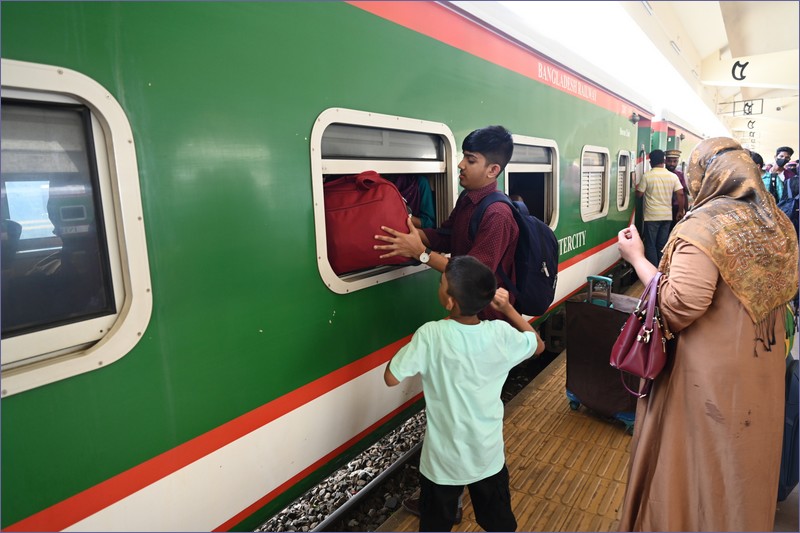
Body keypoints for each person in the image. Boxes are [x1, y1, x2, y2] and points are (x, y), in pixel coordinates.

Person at [617, 137, 799, 531]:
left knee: (696, 467)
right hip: (760, 369)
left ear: (704, 175)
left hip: (706, 378)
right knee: (741, 467)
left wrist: (636, 259)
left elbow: (680, 304)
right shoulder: (775, 222)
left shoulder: (705, 225)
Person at [384, 255, 545, 531]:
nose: (439, 285)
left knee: (435, 525)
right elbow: (538, 345)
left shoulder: (431, 335)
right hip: (488, 455)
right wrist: (507, 309)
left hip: (441, 463)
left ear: (449, 302)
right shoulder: (500, 334)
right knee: (499, 523)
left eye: (441, 283)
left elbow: (390, 378)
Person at [374, 124, 518, 323]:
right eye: (464, 157)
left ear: (493, 170)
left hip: (488, 318)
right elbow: (446, 236)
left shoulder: (497, 215)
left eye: (470, 160)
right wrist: (409, 232)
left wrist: (421, 253)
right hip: (465, 309)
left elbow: (472, 275)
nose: (461, 164)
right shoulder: (468, 197)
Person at [636, 149, 685, 266]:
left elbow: (639, 195)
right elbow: (681, 193)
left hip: (652, 216)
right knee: (662, 244)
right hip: (667, 216)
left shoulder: (647, 176)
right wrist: (680, 210)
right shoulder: (672, 176)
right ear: (663, 161)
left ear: (650, 162)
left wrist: (635, 187)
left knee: (651, 245)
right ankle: (661, 270)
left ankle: (653, 271)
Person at [664, 149, 689, 230]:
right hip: (664, 208)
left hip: (676, 209)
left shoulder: (680, 175)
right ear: (665, 161)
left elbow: (684, 194)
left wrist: (684, 210)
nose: (672, 164)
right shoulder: (661, 174)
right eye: (669, 161)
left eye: (675, 161)